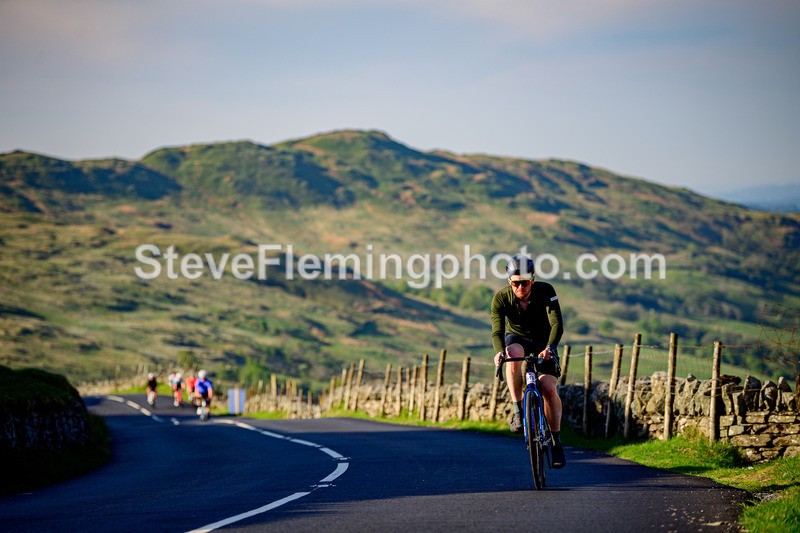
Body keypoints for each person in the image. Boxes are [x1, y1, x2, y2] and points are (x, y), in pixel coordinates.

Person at [491, 255, 567, 469]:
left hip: (544, 343)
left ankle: (556, 442)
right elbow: (497, 331)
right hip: (517, 339)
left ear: (532, 280)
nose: (520, 287)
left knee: (548, 388)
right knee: (512, 353)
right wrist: (499, 353)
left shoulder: (546, 291)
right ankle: (517, 410)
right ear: (509, 282)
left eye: (525, 282)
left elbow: (557, 324)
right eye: (516, 283)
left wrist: (550, 348)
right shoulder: (501, 299)